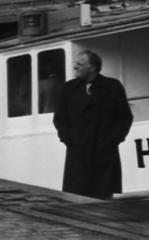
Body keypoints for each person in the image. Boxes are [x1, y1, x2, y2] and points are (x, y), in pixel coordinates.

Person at [52, 50, 133, 200]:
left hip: (104, 153)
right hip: (78, 154)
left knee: (103, 201)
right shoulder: (69, 88)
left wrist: (112, 140)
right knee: (76, 200)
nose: (75, 67)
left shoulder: (112, 86)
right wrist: (70, 140)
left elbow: (124, 117)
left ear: (92, 68)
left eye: (79, 64)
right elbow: (60, 119)